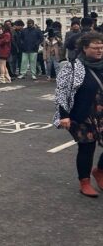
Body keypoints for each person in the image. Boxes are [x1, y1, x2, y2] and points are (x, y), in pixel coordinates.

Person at [54, 31, 103, 197]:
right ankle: (85, 182)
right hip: (83, 114)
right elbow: (62, 92)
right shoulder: (72, 67)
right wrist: (64, 115)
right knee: (87, 147)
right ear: (84, 48)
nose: (99, 50)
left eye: (101, 47)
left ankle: (100, 171)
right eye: (95, 48)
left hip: (101, 112)